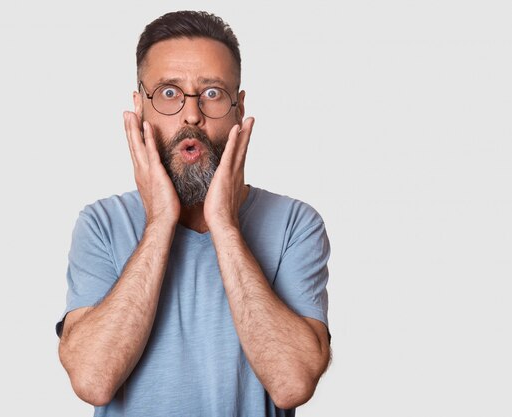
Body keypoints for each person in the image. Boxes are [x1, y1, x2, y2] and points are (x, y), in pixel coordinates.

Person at [56, 10, 332, 417]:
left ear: (239, 108)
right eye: (169, 93)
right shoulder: (100, 223)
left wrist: (224, 224)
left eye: (212, 93)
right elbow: (93, 381)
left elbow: (292, 383)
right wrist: (159, 223)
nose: (191, 115)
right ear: (140, 108)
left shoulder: (296, 224)